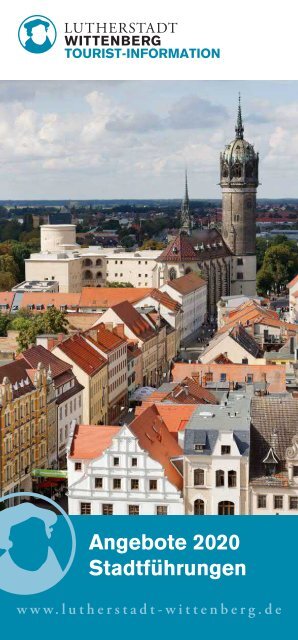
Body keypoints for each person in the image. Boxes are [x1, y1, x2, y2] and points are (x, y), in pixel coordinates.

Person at [0, 502, 63, 594]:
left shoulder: (54, 561)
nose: (35, 546)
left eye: (39, 536)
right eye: (25, 538)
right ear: (10, 540)